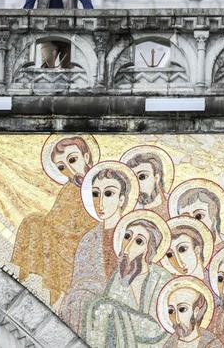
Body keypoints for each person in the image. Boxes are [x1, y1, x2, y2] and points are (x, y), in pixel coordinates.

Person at [11, 135, 98, 306]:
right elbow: (55, 218)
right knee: (33, 222)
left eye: (72, 160)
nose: (70, 170)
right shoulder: (69, 190)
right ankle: (25, 281)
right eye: (62, 167)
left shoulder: (102, 183)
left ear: (86, 157)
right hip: (63, 241)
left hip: (87, 245)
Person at [60, 162, 139, 332]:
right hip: (89, 312)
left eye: (109, 193)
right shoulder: (89, 240)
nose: (100, 201)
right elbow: (78, 283)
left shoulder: (136, 238)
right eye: (96, 194)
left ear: (122, 199)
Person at [83, 210, 173, 347]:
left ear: (148, 250)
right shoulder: (120, 274)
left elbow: (159, 328)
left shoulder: (161, 278)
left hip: (151, 341)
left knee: (104, 307)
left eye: (139, 241)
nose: (129, 245)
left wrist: (113, 310)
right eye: (127, 236)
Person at [157, 276, 224, 348]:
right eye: (171, 311)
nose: (176, 318)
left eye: (182, 309)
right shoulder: (169, 344)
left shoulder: (213, 343)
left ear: (196, 311)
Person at [121, 145, 175, 220]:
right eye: (132, 179)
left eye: (142, 177)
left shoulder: (174, 206)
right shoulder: (132, 213)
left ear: (157, 178)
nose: (137, 184)